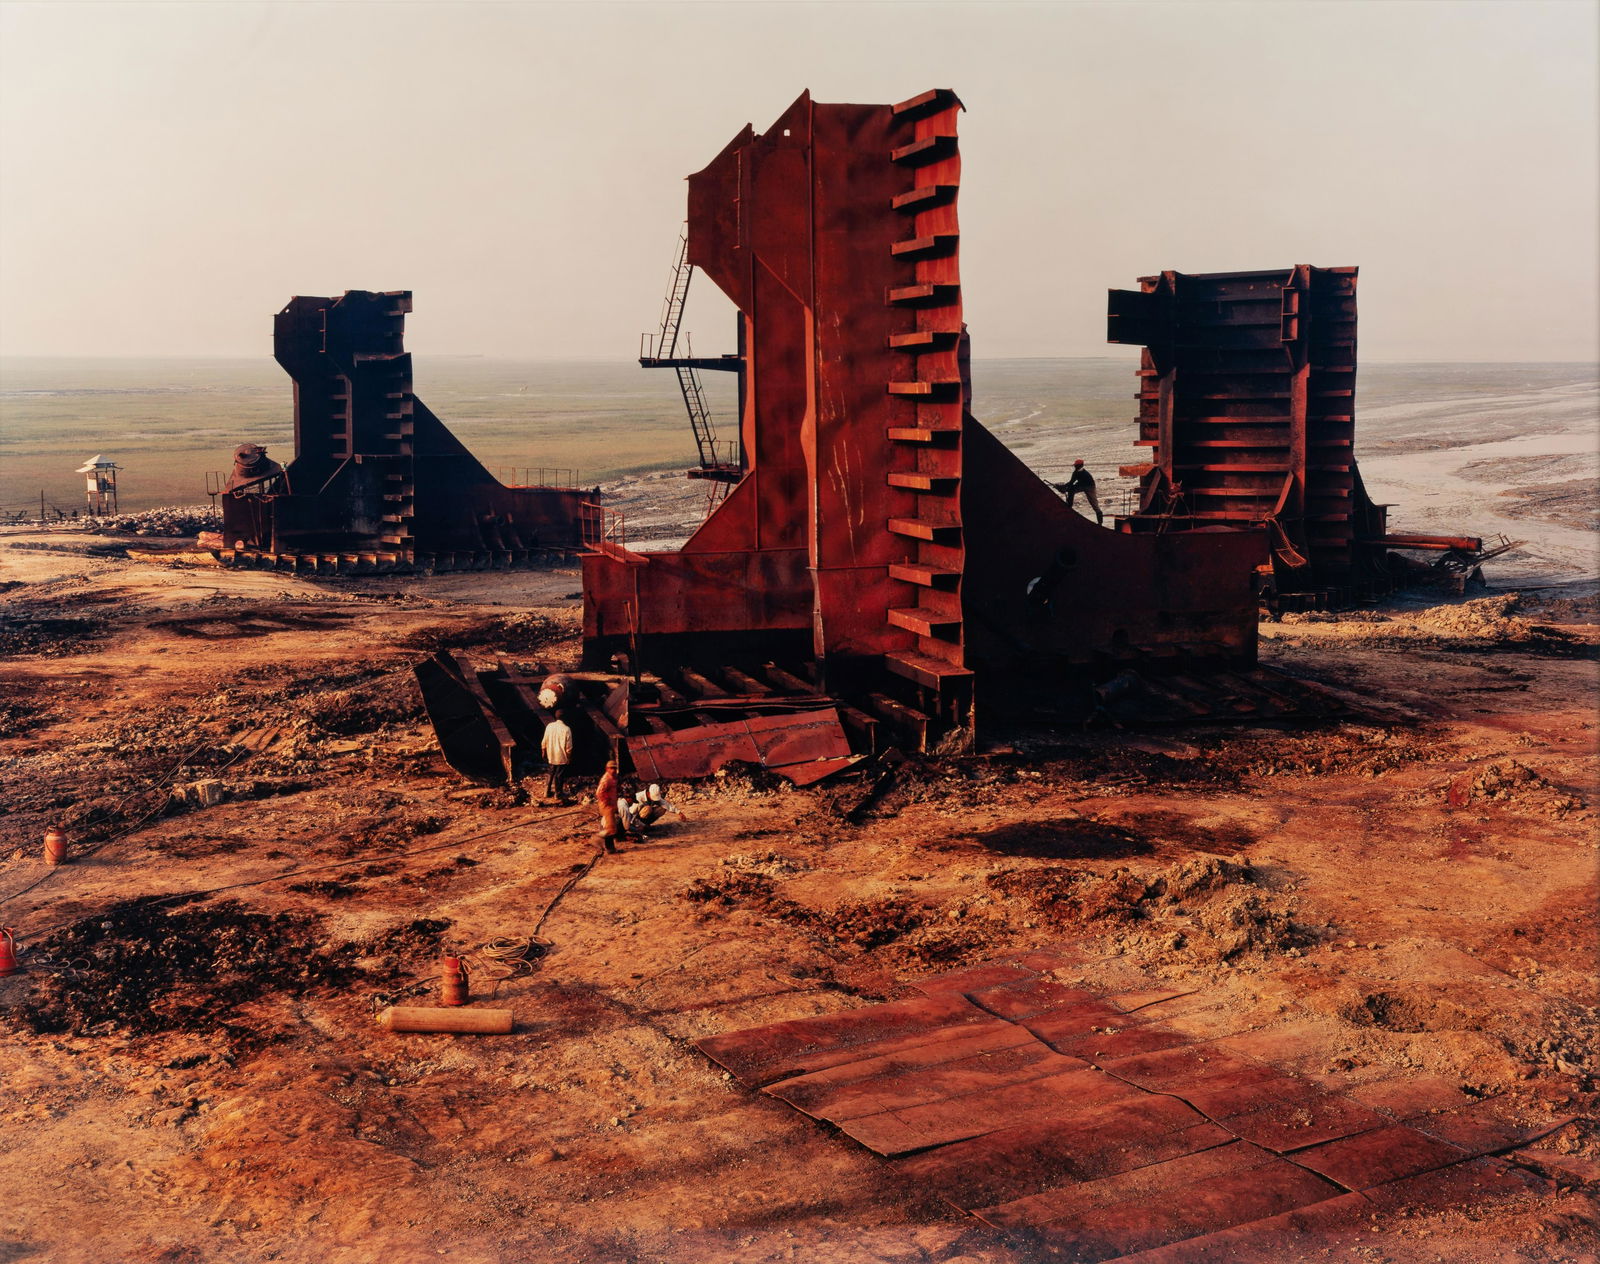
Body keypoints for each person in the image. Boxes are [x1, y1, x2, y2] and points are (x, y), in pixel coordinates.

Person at [1053, 459, 1103, 525]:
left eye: (1076, 466)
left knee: (1094, 504)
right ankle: (1069, 505)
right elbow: (1071, 482)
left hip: (1090, 487)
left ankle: (1100, 522)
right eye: (1075, 466)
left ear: (1080, 465)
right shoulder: (1075, 472)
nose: (1075, 467)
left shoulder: (1085, 474)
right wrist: (1064, 487)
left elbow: (1074, 484)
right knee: (1071, 490)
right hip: (1081, 485)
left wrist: (1064, 488)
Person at [540, 710, 574, 803]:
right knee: (559, 775)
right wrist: (569, 758)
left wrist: (543, 752)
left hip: (551, 754)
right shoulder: (567, 729)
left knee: (550, 772)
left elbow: (544, 741)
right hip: (561, 756)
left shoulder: (549, 726)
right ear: (565, 718)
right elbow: (569, 747)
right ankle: (558, 794)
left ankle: (546, 792)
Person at [596, 759, 621, 853]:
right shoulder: (606, 779)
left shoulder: (613, 778)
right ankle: (598, 839)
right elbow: (599, 792)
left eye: (614, 768)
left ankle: (611, 848)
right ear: (607, 769)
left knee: (611, 827)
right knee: (610, 829)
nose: (613, 770)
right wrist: (607, 800)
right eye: (611, 768)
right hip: (607, 806)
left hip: (610, 805)